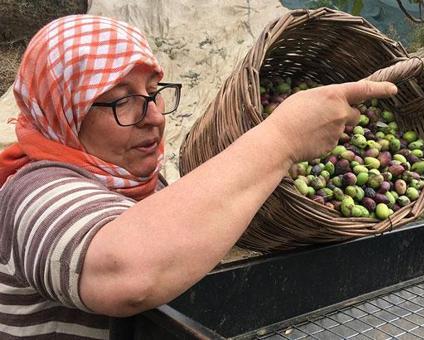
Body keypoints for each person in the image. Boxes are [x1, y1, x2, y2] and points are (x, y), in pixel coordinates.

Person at [0, 14, 397, 339]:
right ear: (63, 111)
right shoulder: (33, 190)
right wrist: (282, 138)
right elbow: (128, 273)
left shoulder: (143, 185)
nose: (154, 116)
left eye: (154, 92)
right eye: (123, 100)